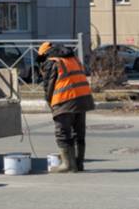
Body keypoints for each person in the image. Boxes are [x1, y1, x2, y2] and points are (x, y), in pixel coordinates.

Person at [37, 40, 95, 173]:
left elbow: (49, 86)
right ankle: (78, 164)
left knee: (62, 133)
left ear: (44, 54)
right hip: (83, 98)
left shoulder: (52, 62)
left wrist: (51, 103)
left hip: (65, 99)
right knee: (78, 133)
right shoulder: (72, 58)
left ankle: (67, 164)